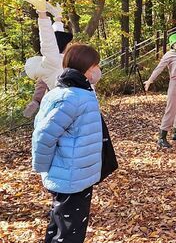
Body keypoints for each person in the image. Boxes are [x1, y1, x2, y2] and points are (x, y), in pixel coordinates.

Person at [32, 44, 117, 243]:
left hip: (76, 175)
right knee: (69, 232)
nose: (98, 70)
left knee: (60, 225)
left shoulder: (72, 92)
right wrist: (44, 168)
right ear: (87, 68)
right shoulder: (72, 97)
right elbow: (44, 135)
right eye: (96, 65)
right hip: (71, 178)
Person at [23, 0, 73, 118]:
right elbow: (49, 41)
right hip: (63, 111)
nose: (71, 45)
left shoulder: (63, 59)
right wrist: (42, 15)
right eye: (69, 43)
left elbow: (56, 38)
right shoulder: (53, 60)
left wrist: (58, 19)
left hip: (74, 107)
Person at [144, 33, 176, 148]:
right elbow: (159, 67)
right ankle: (162, 137)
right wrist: (150, 80)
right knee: (171, 109)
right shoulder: (169, 55)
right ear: (172, 45)